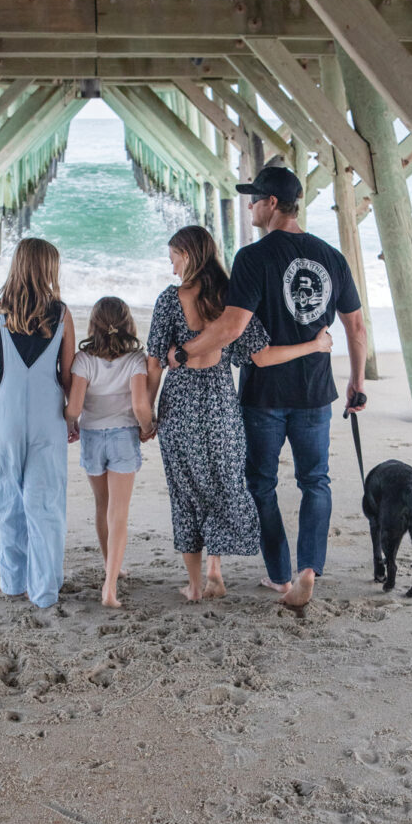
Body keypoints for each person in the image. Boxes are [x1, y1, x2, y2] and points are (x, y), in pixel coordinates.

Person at [169, 162, 368, 610]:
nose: (250, 206)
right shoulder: (331, 256)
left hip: (264, 395)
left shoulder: (253, 257)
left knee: (260, 483)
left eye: (254, 199)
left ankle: (280, 574)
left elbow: (233, 326)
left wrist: (185, 352)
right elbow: (355, 327)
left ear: (272, 204)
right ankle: (308, 570)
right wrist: (356, 381)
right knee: (315, 481)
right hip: (317, 391)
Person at [147, 225, 332, 603]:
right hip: (220, 407)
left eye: (174, 260)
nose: (172, 270)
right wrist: (314, 344)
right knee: (222, 487)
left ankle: (196, 584)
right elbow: (263, 357)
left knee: (185, 493)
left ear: (188, 255)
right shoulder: (230, 304)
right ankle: (216, 568)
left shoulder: (169, 300)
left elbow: (154, 363)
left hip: (179, 406)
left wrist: (146, 414)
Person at [0, 237, 76, 609]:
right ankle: (45, 589)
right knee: (45, 502)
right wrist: (72, 416)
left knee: (9, 498)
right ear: (48, 269)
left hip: (7, 412)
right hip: (48, 414)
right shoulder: (62, 314)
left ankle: (14, 580)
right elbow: (68, 377)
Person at [64, 297, 154, 609]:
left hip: (92, 437)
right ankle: (110, 585)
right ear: (128, 324)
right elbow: (141, 405)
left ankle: (109, 565)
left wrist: (70, 424)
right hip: (122, 437)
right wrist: (146, 428)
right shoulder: (135, 360)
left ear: (94, 325)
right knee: (119, 512)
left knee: (102, 506)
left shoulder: (83, 359)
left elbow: (74, 407)